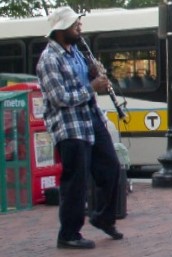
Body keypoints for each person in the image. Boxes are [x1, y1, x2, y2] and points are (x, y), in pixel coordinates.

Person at [36, 6, 123, 249]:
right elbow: (60, 98)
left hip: (91, 118)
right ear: (61, 29)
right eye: (75, 24)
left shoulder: (77, 52)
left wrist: (96, 76)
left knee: (111, 168)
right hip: (69, 126)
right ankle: (69, 233)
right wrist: (91, 87)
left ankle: (103, 217)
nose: (79, 27)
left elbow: (90, 82)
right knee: (76, 179)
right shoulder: (49, 60)